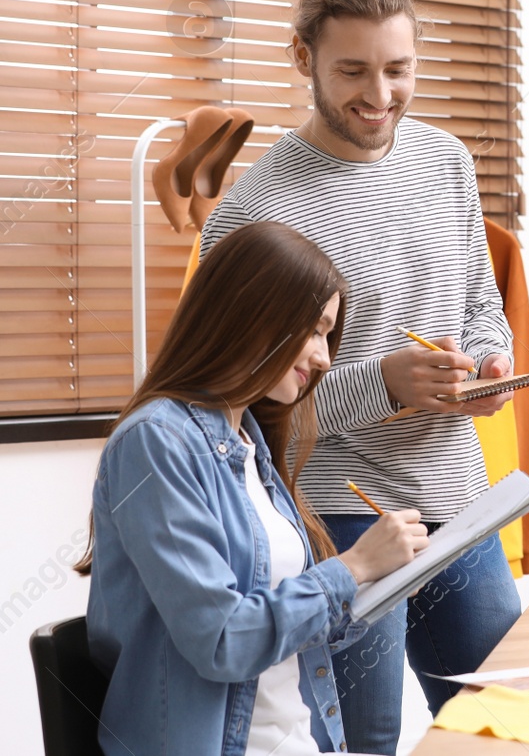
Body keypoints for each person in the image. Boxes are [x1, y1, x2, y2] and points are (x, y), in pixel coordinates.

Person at [199, 0, 520, 753]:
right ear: (302, 59)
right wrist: (383, 383)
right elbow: (235, 399)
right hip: (334, 511)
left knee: (509, 724)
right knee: (363, 739)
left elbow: (481, 299)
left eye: (398, 69)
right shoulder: (256, 215)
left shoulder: (444, 160)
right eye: (352, 71)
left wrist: (486, 364)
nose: (379, 96)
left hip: (456, 496)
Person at [77, 221, 430, 756]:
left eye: (327, 335)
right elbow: (224, 642)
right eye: (313, 330)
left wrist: (377, 586)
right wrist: (352, 567)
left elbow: (288, 631)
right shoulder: (157, 442)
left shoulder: (249, 443)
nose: (325, 358)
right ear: (252, 313)